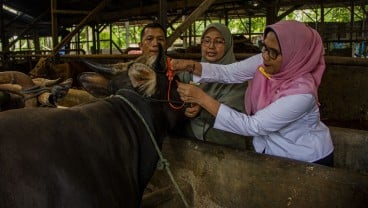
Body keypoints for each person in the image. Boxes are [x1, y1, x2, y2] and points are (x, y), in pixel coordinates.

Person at [170, 20, 334, 166]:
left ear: (294, 55)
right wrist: (190, 65)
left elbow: (253, 126)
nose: (265, 56)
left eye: (273, 52)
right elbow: (230, 73)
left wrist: (202, 98)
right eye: (264, 47)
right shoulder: (265, 61)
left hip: (304, 159)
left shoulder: (301, 95)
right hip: (269, 151)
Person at [174, 23, 252, 150]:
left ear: (227, 46)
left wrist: (202, 108)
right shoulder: (189, 72)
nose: (211, 46)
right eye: (207, 41)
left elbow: (234, 119)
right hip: (193, 139)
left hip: (223, 143)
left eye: (219, 42)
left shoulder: (238, 78)